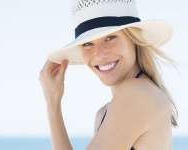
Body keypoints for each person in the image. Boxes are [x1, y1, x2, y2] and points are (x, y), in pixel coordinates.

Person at [39, 0, 178, 149]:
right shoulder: (103, 114)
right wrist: (53, 103)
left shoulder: (138, 94)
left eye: (110, 38)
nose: (99, 54)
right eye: (87, 44)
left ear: (133, 38)